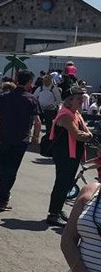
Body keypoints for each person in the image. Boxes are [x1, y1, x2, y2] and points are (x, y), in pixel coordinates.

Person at [0, 70, 42, 211]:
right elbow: (38, 121)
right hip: (21, 139)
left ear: (17, 81)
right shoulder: (31, 99)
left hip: (4, 137)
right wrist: (35, 137)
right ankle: (3, 198)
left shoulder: (5, 96)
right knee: (12, 169)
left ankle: (3, 195)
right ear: (29, 83)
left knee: (2, 166)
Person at [46, 86, 94, 227]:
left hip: (71, 155)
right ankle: (53, 214)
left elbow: (83, 132)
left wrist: (87, 135)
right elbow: (78, 135)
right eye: (79, 99)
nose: (81, 101)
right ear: (69, 100)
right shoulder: (65, 115)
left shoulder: (76, 113)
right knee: (62, 183)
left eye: (82, 98)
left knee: (66, 183)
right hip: (65, 155)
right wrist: (89, 136)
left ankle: (57, 210)